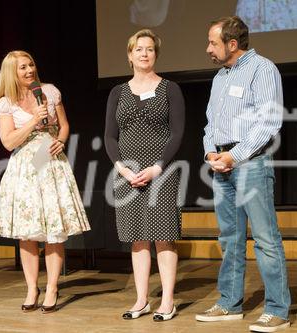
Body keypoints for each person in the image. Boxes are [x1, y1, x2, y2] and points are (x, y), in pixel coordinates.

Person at [197, 16, 291, 333]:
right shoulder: (220, 78)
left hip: (250, 163)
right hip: (221, 164)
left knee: (265, 238)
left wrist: (233, 156)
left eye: (213, 42)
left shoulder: (263, 69)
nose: (208, 48)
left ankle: (278, 309)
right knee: (230, 239)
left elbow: (268, 123)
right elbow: (210, 124)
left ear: (232, 44)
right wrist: (211, 152)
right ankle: (229, 303)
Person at [0, 50, 90, 313]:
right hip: (25, 166)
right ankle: (31, 287)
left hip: (51, 161)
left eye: (31, 64)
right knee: (27, 232)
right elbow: (8, 141)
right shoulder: (6, 103)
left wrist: (62, 139)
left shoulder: (49, 91)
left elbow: (65, 125)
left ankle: (54, 286)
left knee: (53, 230)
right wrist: (34, 121)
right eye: (22, 67)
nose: (29, 70)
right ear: (12, 73)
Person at [104, 29, 185, 322]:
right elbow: (110, 137)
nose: (144, 53)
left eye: (149, 49)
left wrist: (156, 167)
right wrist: (123, 169)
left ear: (156, 54)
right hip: (126, 175)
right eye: (139, 49)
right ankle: (141, 300)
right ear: (129, 54)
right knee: (137, 239)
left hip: (160, 173)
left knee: (164, 236)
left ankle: (167, 301)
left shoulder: (170, 88)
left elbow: (177, 134)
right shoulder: (117, 92)